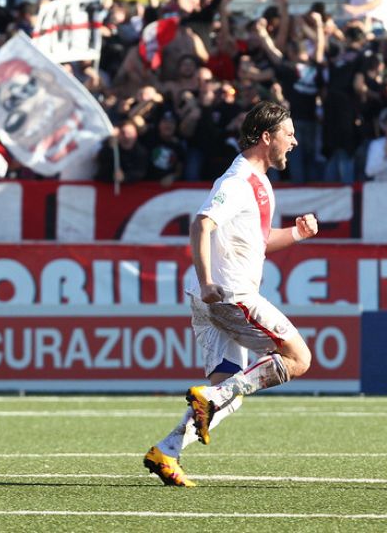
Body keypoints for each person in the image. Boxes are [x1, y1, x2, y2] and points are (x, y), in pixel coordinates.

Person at [143, 101, 318, 487]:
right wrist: (208, 281)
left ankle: (167, 450)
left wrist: (297, 234)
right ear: (267, 137)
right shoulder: (237, 181)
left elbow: (259, 240)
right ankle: (213, 397)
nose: (295, 142)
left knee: (229, 388)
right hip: (229, 295)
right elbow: (201, 224)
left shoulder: (259, 182)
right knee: (298, 358)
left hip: (213, 298)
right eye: (289, 134)